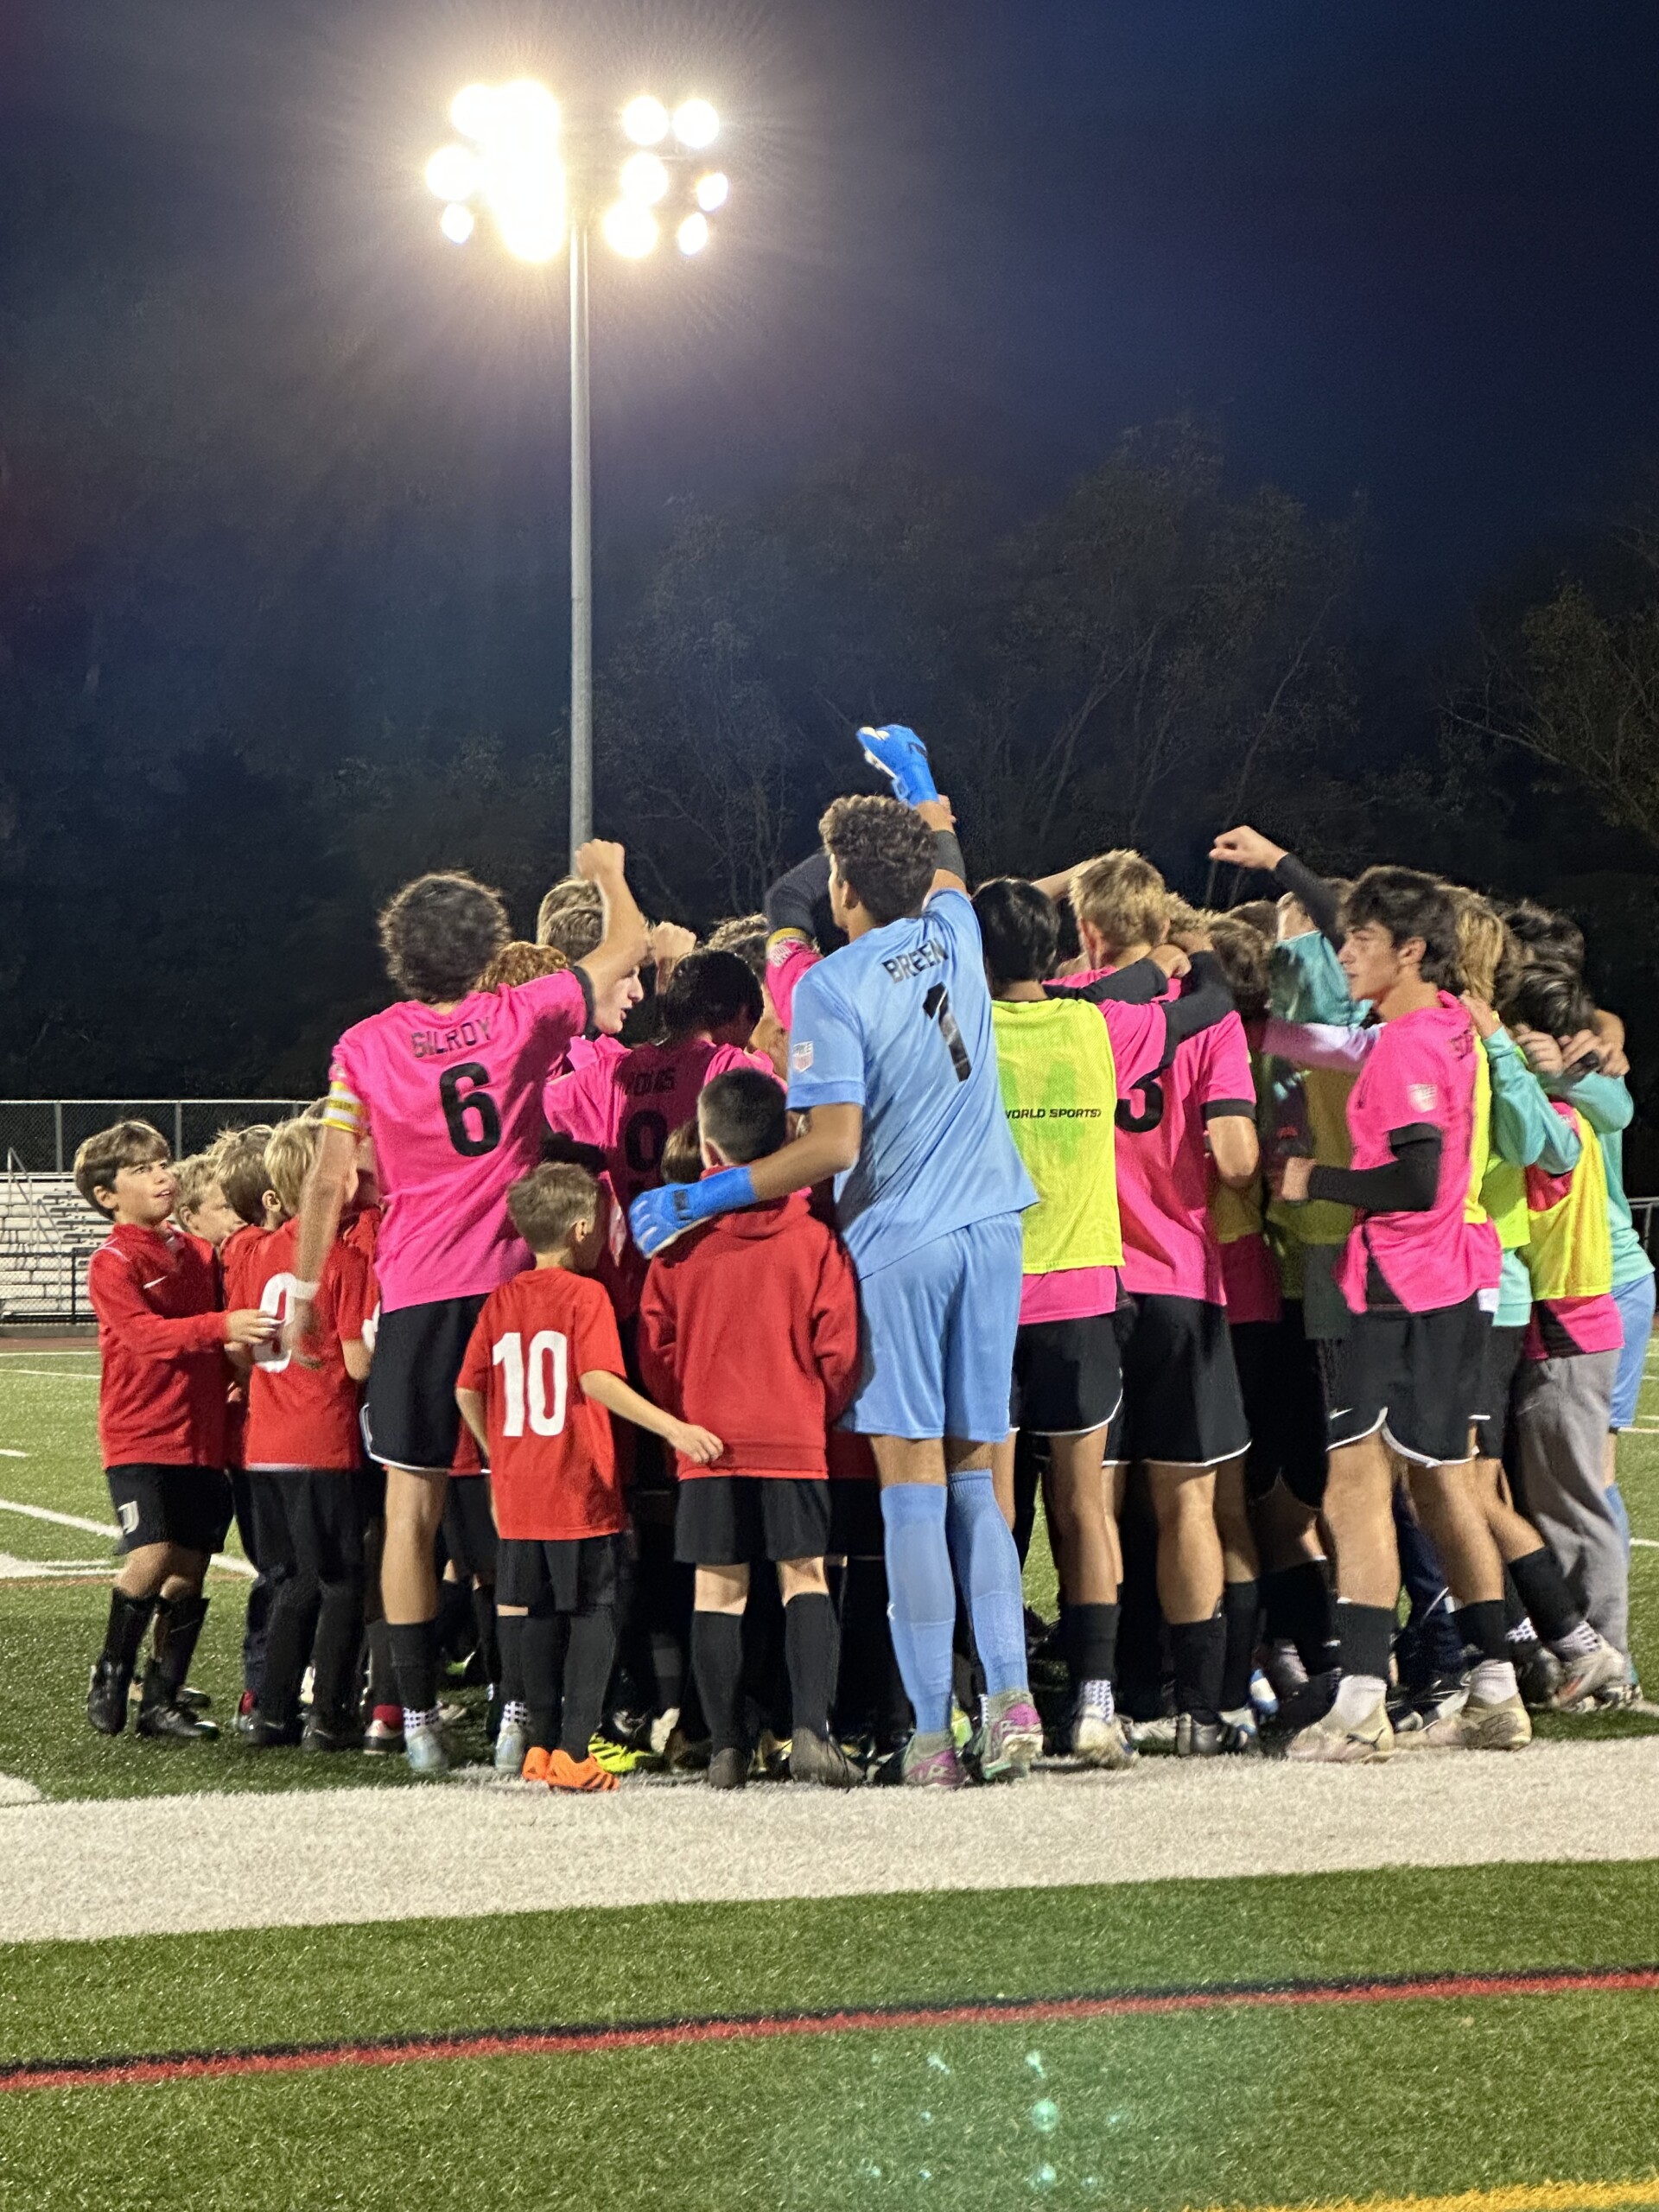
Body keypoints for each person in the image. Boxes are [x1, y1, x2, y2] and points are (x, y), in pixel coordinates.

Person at [632, 726, 1042, 1789]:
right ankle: (1011, 1697)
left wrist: (701, 1191)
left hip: (902, 1242)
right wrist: (920, 784)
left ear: (846, 888)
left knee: (910, 1487)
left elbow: (831, 1145)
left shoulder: (832, 986)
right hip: (996, 1228)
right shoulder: (959, 926)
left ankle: (932, 1737)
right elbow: (948, 849)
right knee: (977, 1477)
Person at [283, 849, 650, 1777]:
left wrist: (304, 1286)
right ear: (491, 945)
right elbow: (629, 946)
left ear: (398, 954)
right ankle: (520, 1707)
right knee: (524, 1498)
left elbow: (330, 1174)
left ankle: (412, 1718)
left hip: (415, 1293)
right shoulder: (520, 1010)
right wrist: (607, 873)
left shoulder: (361, 1046)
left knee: (410, 1510)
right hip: (511, 1291)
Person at [973, 874, 1235, 1764]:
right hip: (1083, 1293)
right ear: (1058, 950)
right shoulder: (1096, 1026)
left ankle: (1004, 1701)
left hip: (991, 1294)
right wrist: (1181, 946)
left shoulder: (962, 1029)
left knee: (994, 1511)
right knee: (1088, 1509)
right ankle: (1094, 1704)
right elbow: (1210, 1002)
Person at [1272, 866, 1514, 1761]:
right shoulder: (1448, 1020)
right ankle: (1494, 1684)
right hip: (1450, 1283)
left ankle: (1365, 1699)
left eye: (1362, 943)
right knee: (1444, 1483)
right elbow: (1335, 1021)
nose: (1344, 955)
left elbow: (1412, 1178)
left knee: (1356, 1487)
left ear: (1411, 952)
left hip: (1393, 1287)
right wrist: (1292, 874)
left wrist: (1316, 1178)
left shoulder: (1408, 1046)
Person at [1065, 850, 1259, 1756]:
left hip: (1089, 1280)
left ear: (1090, 929)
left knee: (1092, 1501)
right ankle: (1198, 1708)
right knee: (1189, 1502)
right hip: (1183, 1276)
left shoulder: (1068, 1003)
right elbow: (1237, 1155)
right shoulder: (1208, 1025)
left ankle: (1099, 1697)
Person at [456, 1163, 721, 1791]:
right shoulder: (587, 1296)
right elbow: (596, 1378)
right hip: (577, 1484)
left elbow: (467, 1389)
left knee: (537, 1615)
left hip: (519, 1488)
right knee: (594, 1612)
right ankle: (577, 1747)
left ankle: (540, 1747)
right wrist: (672, 1427)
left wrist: (498, 1454)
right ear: (581, 1228)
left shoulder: (503, 1298)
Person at [639, 1067, 863, 1789]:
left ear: (707, 1154)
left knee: (718, 1588)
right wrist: (809, 1411)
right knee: (805, 1579)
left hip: (708, 1440)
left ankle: (729, 1745)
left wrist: (687, 1414)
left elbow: (657, 1352)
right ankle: (810, 1733)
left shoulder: (678, 1249)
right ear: (789, 1140)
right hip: (794, 1435)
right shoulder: (816, 1242)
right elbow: (840, 1350)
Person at [76, 1120, 273, 1740]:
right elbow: (143, 1337)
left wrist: (234, 1370)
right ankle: (111, 1670)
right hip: (142, 1434)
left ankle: (162, 1700)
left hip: (202, 1434)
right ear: (108, 1196)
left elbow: (214, 1338)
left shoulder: (199, 1255)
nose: (161, 1175)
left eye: (162, 1163)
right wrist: (222, 1329)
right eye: (141, 1169)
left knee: (189, 1565)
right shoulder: (111, 1261)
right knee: (152, 1552)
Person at [225, 1118, 377, 1750]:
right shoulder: (339, 1258)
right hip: (322, 1436)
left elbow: (238, 1344)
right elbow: (359, 1362)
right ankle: (329, 1711)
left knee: (293, 1578)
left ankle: (273, 1709)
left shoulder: (255, 1251)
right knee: (342, 1579)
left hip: (265, 1441)